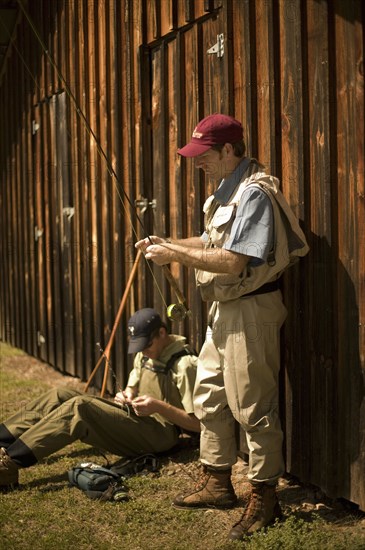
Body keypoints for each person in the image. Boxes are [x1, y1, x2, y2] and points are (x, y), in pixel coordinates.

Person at [136, 114, 309, 540]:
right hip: (224, 310)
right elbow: (211, 243)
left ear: (229, 150)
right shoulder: (225, 192)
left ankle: (264, 497)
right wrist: (168, 242)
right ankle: (217, 482)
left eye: (204, 155)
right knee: (209, 395)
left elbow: (234, 261)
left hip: (251, 310)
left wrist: (174, 256)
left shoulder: (255, 195)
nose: (198, 163)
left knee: (253, 407)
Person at [0, 308, 199, 490]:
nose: (143, 351)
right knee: (61, 394)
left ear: (162, 333)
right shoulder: (146, 354)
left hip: (162, 435)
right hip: (139, 419)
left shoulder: (185, 366)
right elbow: (133, 385)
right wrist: (127, 394)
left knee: (80, 408)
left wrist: (158, 406)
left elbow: (197, 424)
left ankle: (10, 463)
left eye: (147, 345)